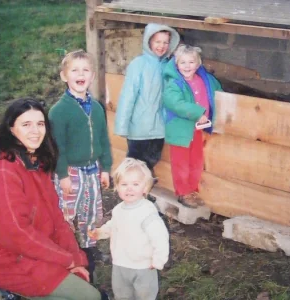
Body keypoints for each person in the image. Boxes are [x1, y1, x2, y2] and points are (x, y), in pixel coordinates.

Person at [0, 98, 102, 300]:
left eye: (40, 123)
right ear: (11, 129)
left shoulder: (35, 162)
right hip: (7, 259)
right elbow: (15, 234)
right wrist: (66, 260)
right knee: (90, 297)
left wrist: (76, 258)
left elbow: (56, 218)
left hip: (33, 248)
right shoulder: (3, 172)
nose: (35, 131)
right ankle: (7, 291)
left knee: (85, 277)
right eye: (26, 124)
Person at [49, 49, 113, 283]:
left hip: (93, 170)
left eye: (85, 70)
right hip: (71, 171)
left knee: (91, 210)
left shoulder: (96, 108)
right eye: (74, 70)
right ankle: (62, 249)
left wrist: (105, 167)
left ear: (93, 76)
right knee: (66, 211)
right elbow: (58, 147)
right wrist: (62, 173)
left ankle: (88, 248)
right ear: (64, 76)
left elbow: (103, 139)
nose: (80, 74)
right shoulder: (59, 111)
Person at [89, 158, 169, 300]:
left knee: (144, 296)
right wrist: (101, 232)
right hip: (120, 264)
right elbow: (114, 225)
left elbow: (160, 237)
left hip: (143, 266)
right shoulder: (119, 210)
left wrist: (158, 260)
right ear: (117, 187)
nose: (129, 188)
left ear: (145, 188)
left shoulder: (147, 212)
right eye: (124, 184)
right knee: (122, 295)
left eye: (135, 184)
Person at [114, 23, 180, 181]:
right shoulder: (139, 64)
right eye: (157, 41)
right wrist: (122, 125)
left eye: (165, 42)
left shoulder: (169, 66)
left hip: (159, 127)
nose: (161, 46)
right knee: (134, 164)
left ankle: (142, 192)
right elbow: (127, 96)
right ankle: (129, 192)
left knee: (151, 161)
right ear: (148, 42)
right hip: (139, 127)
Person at [163, 44, 223, 208]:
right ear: (176, 64)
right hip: (180, 130)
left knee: (196, 160)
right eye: (183, 62)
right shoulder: (174, 84)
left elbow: (218, 92)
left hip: (197, 129)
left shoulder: (205, 80)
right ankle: (183, 192)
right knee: (181, 162)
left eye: (191, 62)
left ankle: (192, 190)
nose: (187, 66)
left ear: (198, 64)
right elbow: (175, 103)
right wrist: (197, 112)